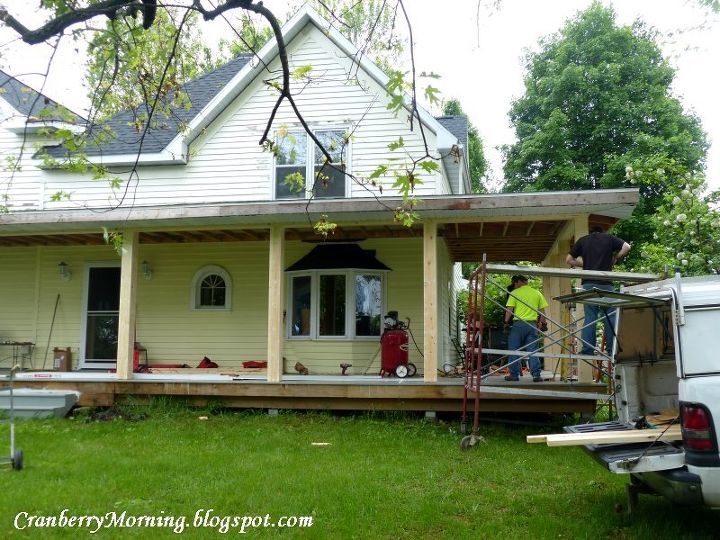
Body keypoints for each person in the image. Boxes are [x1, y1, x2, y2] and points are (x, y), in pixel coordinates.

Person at [565, 225, 631, 357]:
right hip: (606, 283)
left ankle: (588, 349)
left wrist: (585, 264)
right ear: (603, 231)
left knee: (590, 317)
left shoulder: (583, 240)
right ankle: (612, 349)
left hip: (589, 284)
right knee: (610, 316)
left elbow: (569, 260)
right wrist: (615, 258)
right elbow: (627, 246)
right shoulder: (609, 239)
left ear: (591, 232)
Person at [503, 275, 548, 382]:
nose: (514, 285)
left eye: (515, 283)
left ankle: (514, 375)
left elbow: (509, 309)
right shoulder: (537, 293)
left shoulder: (515, 293)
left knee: (514, 350)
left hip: (518, 325)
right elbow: (542, 312)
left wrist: (505, 322)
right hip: (532, 326)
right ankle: (536, 375)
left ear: (519, 282)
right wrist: (544, 323)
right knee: (533, 351)